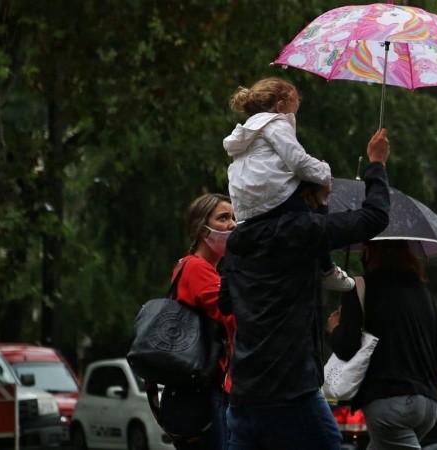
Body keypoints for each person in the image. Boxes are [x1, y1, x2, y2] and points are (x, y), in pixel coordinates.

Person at [221, 128, 391, 450]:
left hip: (244, 391)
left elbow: (227, 302)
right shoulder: (301, 231)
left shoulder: (238, 240)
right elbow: (374, 217)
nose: (325, 205)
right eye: (324, 197)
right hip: (291, 389)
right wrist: (377, 164)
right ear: (307, 193)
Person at [223, 77, 354, 292]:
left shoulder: (247, 132)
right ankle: (327, 269)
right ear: (281, 106)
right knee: (313, 224)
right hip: (272, 196)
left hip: (246, 205)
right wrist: (324, 172)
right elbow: (298, 161)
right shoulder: (276, 124)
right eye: (294, 109)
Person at [328, 240, 437, 450]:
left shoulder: (359, 286)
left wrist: (335, 327)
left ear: (369, 252)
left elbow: (345, 347)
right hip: (428, 404)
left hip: (388, 403)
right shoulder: (421, 290)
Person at [158, 193, 237, 450]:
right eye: (223, 218)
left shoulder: (192, 266)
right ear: (200, 228)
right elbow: (232, 318)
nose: (233, 225)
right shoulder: (196, 267)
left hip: (193, 391)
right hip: (199, 393)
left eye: (235, 217)